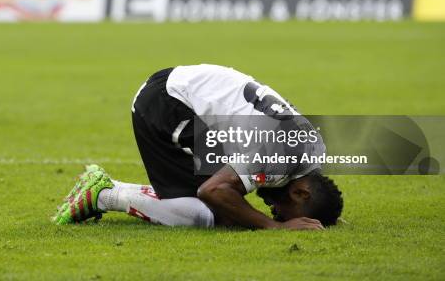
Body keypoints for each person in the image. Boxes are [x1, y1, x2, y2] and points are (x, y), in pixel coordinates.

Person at [53, 65, 343, 229]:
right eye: (281, 210)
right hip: (168, 104)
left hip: (190, 95)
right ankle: (105, 194)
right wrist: (275, 226)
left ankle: (108, 192)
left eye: (276, 213)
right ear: (301, 192)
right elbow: (213, 191)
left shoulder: (313, 150)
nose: (273, 208)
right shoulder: (278, 156)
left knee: (231, 211)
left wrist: (323, 215)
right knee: (207, 214)